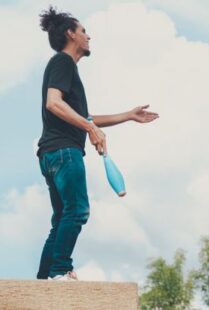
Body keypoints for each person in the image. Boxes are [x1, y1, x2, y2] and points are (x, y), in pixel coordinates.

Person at [37, 6, 159, 281]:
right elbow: (53, 103)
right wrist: (89, 128)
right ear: (71, 34)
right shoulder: (63, 63)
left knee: (61, 221)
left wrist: (127, 116)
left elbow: (82, 116)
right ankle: (60, 271)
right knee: (78, 210)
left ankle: (44, 283)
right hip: (64, 153)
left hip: (52, 154)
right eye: (83, 31)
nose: (88, 36)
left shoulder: (66, 69)